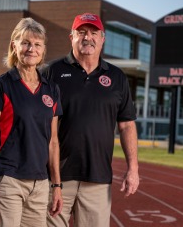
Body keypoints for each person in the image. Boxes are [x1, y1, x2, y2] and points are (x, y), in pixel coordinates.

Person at [43, 13, 139, 227]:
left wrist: (133, 168)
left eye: (94, 33)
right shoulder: (52, 72)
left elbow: (126, 126)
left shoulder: (117, 77)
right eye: (82, 32)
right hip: (56, 178)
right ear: (71, 37)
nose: (88, 37)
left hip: (97, 178)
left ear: (102, 39)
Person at [0, 17, 63, 227]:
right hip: (8, 180)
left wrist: (57, 185)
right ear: (14, 46)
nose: (31, 49)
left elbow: (53, 142)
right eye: (25, 42)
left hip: (40, 184)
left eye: (37, 44)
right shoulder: (0, 85)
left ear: (43, 50)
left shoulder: (51, 90)